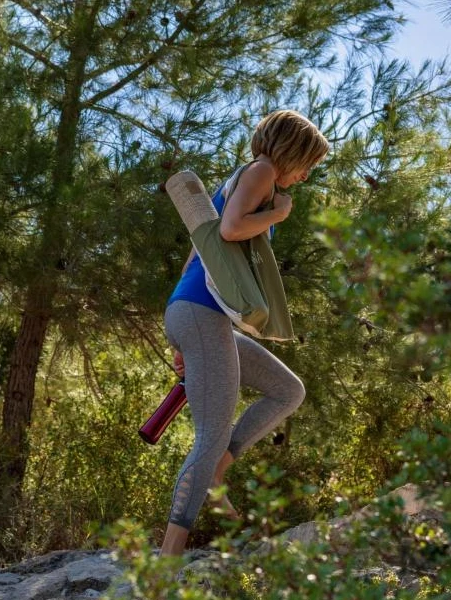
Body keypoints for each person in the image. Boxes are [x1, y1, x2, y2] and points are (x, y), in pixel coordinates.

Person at [159, 109, 328, 558]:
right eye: (308, 161)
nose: (307, 173)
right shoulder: (262, 173)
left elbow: (198, 254)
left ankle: (219, 469)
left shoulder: (245, 178)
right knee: (210, 433)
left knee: (286, 390)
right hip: (199, 312)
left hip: (194, 311)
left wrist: (180, 334)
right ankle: (166, 562)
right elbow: (233, 230)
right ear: (291, 151)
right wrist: (279, 214)